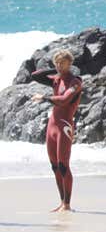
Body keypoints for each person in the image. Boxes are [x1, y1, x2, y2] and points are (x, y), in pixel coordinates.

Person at [30, 50, 83, 213]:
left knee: (63, 166)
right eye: (57, 63)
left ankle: (67, 204)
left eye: (63, 63)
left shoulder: (75, 82)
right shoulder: (56, 80)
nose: (60, 65)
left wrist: (44, 98)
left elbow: (64, 100)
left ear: (70, 63)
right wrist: (56, 70)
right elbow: (35, 75)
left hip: (65, 126)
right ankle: (61, 202)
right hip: (52, 126)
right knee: (54, 166)